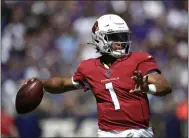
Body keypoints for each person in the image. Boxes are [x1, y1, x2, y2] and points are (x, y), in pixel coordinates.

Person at [23, 14, 172, 137]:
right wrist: (42, 84)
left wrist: (147, 87)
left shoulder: (138, 59)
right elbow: (63, 84)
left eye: (123, 36)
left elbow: (164, 85)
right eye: (116, 37)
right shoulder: (88, 67)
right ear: (100, 38)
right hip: (106, 133)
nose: (121, 42)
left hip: (137, 132)